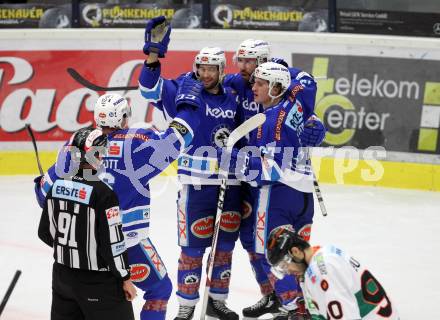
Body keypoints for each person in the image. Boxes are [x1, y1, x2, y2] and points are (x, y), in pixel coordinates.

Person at [35, 90, 203, 320]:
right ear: (123, 117)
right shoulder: (137, 142)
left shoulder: (76, 143)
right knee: (159, 290)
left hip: (80, 249)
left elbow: (44, 195)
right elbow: (179, 139)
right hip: (126, 243)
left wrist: (40, 183)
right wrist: (189, 105)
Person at [139, 16, 241, 320]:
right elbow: (148, 90)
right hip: (195, 188)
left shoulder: (234, 98)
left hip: (231, 185)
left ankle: (216, 301)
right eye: (201, 67)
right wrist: (153, 56)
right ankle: (186, 308)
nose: (205, 74)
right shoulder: (183, 91)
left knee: (223, 250)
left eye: (211, 68)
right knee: (192, 251)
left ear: (222, 70)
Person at [223, 40, 326, 319]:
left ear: (276, 87)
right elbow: (307, 84)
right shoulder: (297, 105)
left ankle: (295, 310)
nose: (253, 87)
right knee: (299, 256)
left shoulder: (267, 121)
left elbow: (266, 172)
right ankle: (312, 306)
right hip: (303, 196)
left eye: (260, 83)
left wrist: (232, 161)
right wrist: (315, 120)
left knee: (273, 256)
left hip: (278, 196)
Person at [38, 127, 137, 320]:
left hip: (62, 278)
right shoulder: (104, 194)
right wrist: (125, 278)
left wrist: (73, 249)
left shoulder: (56, 186)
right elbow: (113, 245)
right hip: (98, 284)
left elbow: (45, 233)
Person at [266, 225, 400, 319]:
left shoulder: (322, 270)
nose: (287, 271)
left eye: (285, 265)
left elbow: (346, 317)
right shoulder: (321, 255)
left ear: (295, 252)